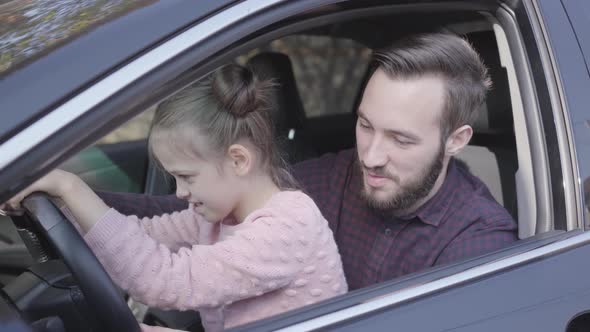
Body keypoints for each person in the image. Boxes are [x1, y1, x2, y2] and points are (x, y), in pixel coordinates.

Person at [96, 32, 519, 292]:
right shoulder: (335, 175)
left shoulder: (479, 245)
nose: (370, 156)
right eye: (366, 125)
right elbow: (199, 208)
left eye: (401, 139)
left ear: (455, 140)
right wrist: (76, 203)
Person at [1, 65, 347, 331]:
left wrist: (72, 188)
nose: (180, 193)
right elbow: (141, 235)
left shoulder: (286, 226)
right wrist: (60, 211)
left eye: (187, 177)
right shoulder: (214, 217)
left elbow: (163, 281)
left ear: (238, 160)